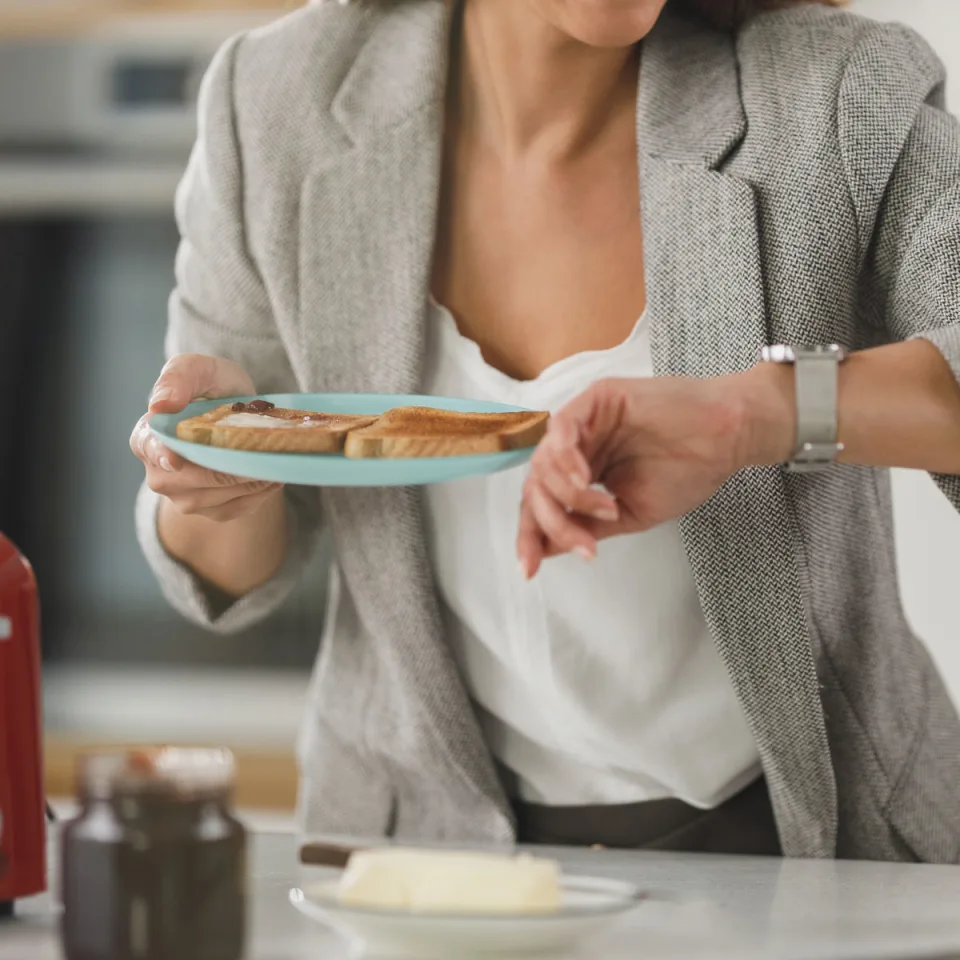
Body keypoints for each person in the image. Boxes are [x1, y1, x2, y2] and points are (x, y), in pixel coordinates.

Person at [130, 0, 960, 862]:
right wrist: (212, 471)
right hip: (419, 854)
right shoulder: (275, 99)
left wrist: (754, 414)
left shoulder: (838, 92)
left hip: (809, 849)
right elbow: (223, 572)